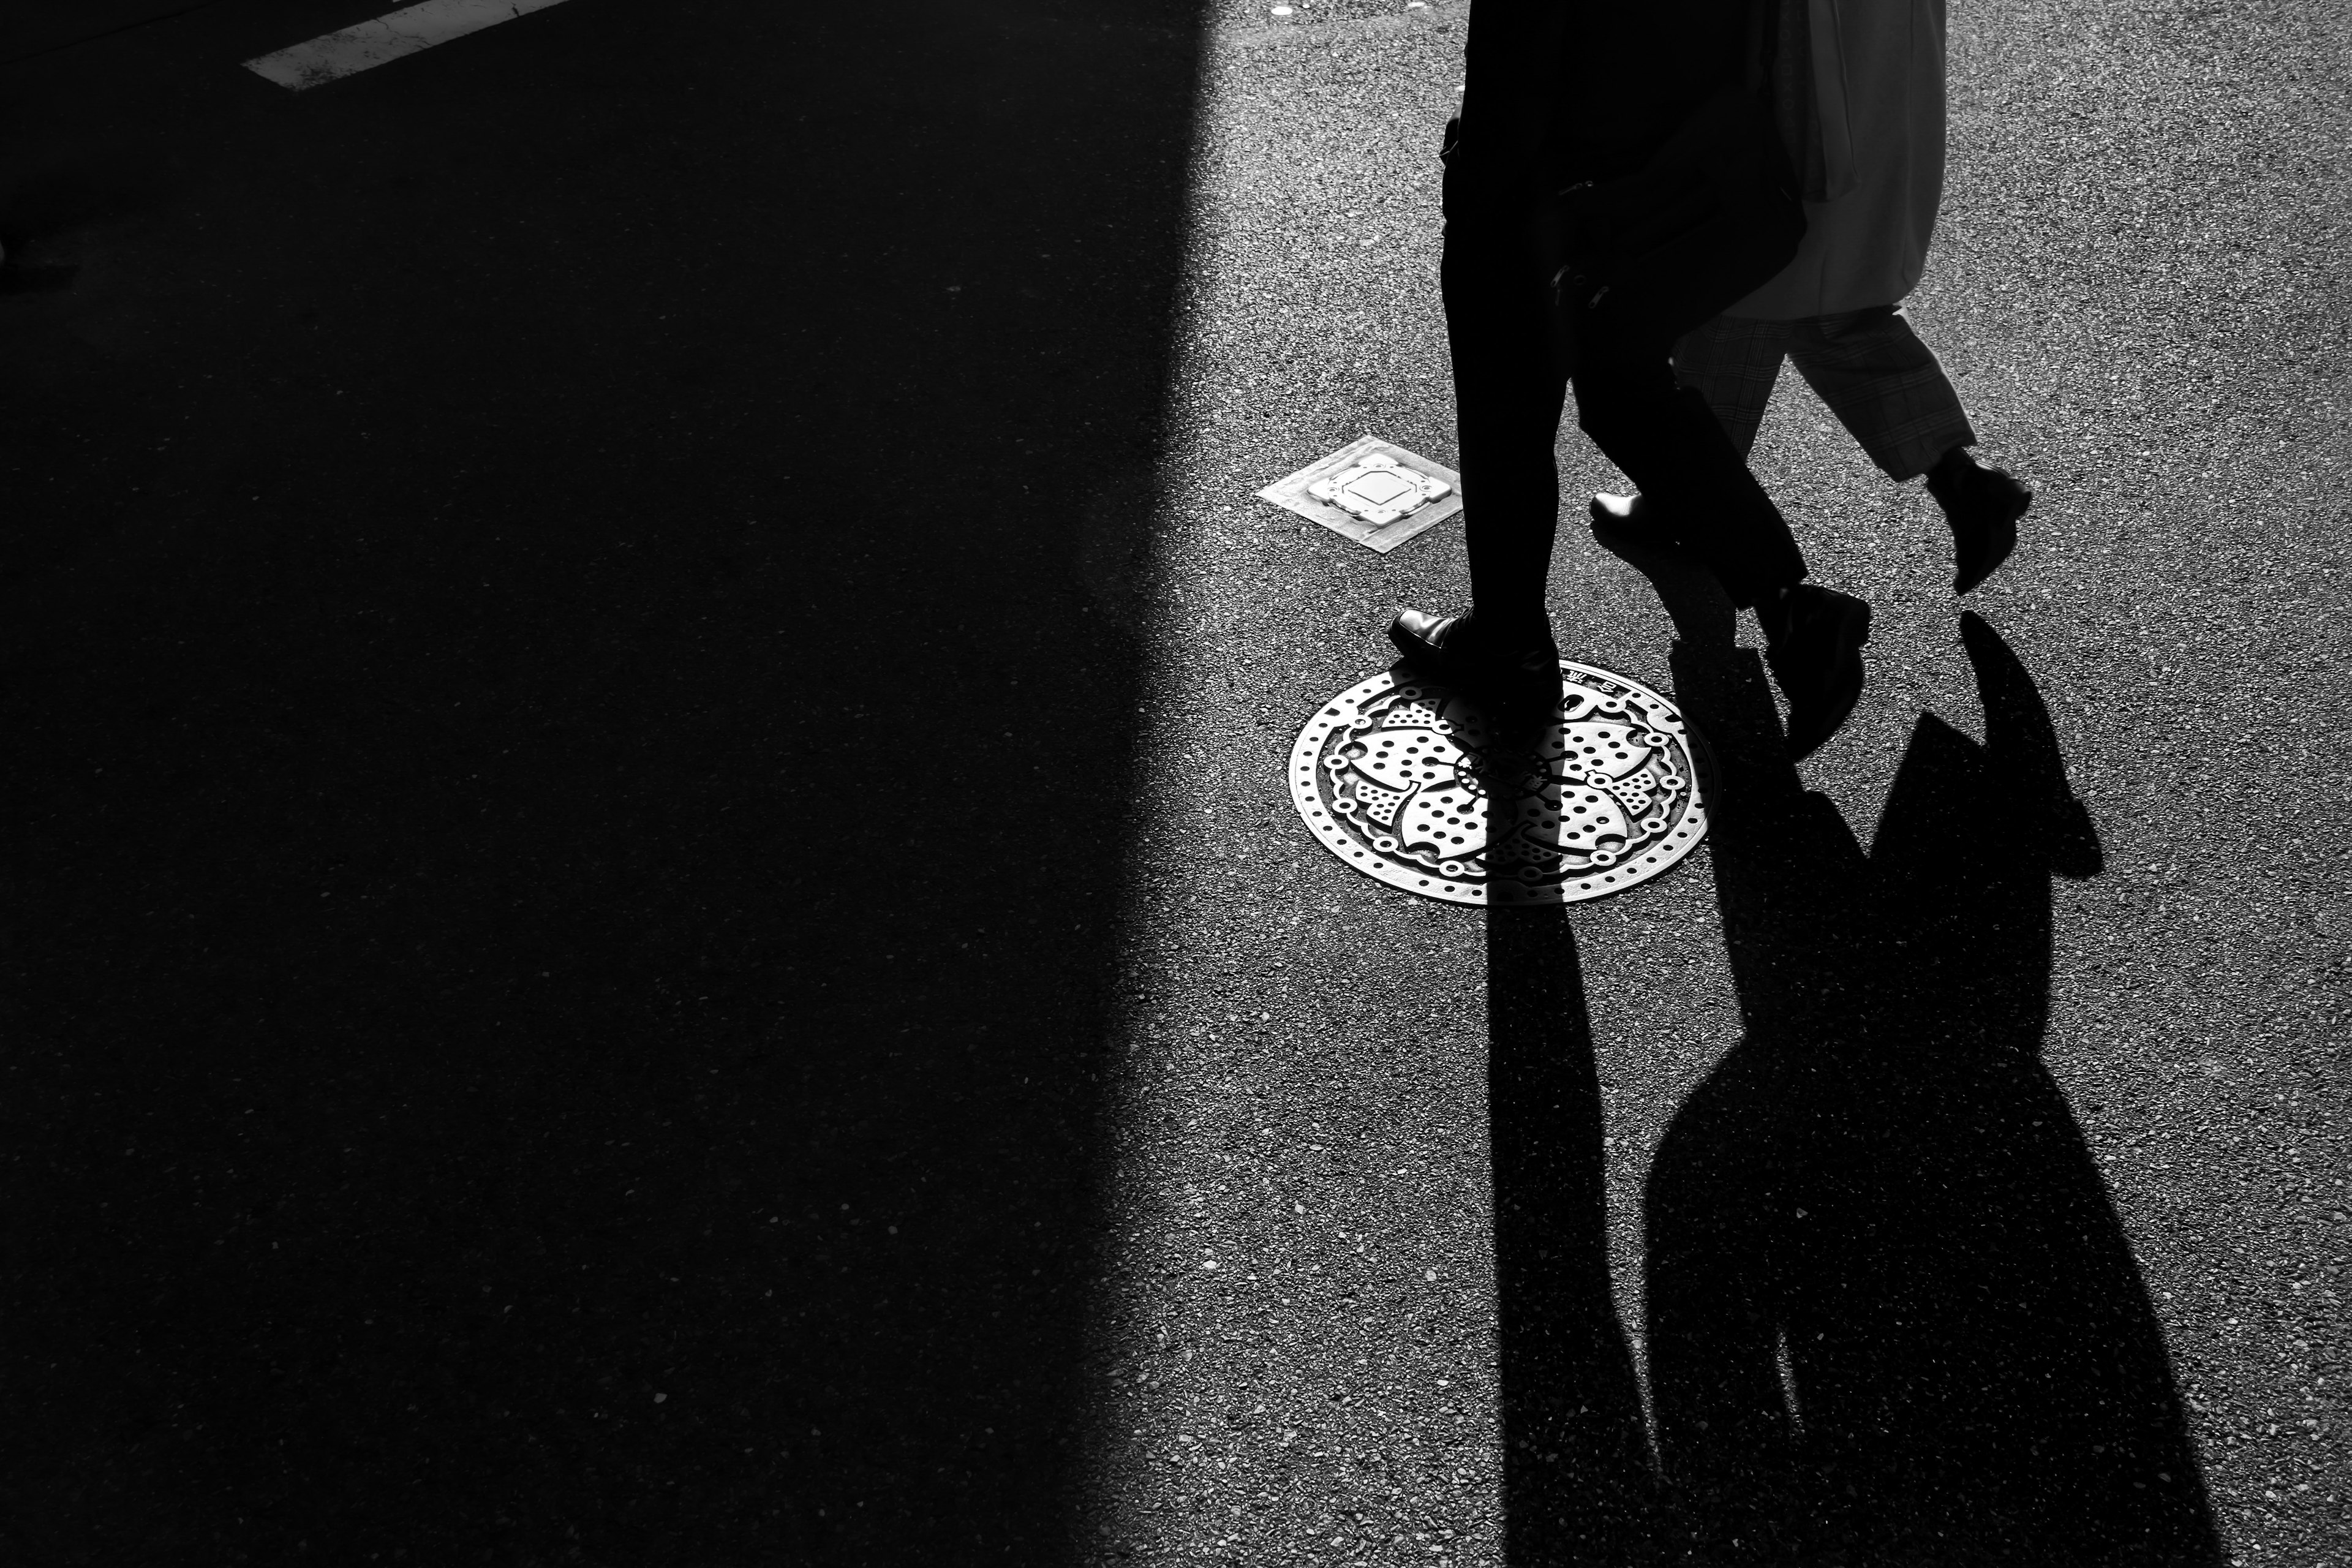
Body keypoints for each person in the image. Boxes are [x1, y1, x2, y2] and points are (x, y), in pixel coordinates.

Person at [1389, 0, 1873, 759]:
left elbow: (1512, 82)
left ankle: (1511, 645)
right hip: (1687, 189)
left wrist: (1470, 206)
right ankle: (1794, 612)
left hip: (1561, 199)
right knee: (1625, 390)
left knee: (1506, 417)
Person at [1591, 0, 2032, 595]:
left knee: (1739, 284)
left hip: (1802, 61)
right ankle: (1962, 483)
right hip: (1872, 54)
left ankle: (1749, 567)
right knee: (1830, 302)